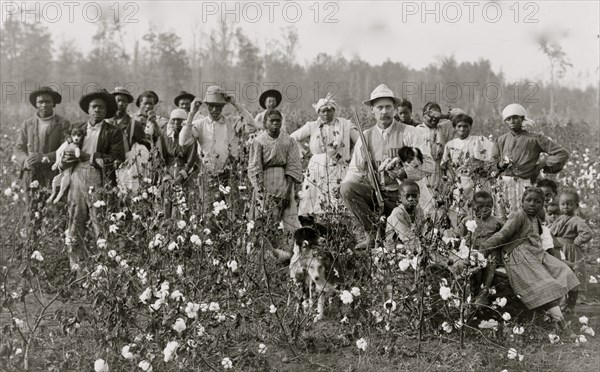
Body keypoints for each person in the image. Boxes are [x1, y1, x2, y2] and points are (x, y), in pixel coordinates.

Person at [340, 84, 435, 249]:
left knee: (415, 235)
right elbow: (355, 170)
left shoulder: (410, 132)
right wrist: (342, 187)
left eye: (388, 107)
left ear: (395, 109)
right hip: (377, 194)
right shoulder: (366, 137)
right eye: (380, 107)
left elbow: (429, 164)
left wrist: (405, 173)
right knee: (347, 189)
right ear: (372, 111)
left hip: (404, 197)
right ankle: (372, 233)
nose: (384, 111)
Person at [479, 188, 579, 335]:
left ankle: (565, 312)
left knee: (565, 271)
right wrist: (483, 249)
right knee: (544, 284)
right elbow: (502, 235)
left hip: (535, 254)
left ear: (542, 205)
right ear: (522, 202)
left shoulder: (536, 220)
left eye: (537, 202)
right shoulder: (518, 216)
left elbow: (539, 241)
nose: (533, 204)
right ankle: (563, 326)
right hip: (518, 256)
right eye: (529, 200)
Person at [61, 89, 125, 272]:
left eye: (101, 107)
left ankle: (104, 269)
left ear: (106, 111)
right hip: (76, 177)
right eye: (94, 107)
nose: (97, 110)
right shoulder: (77, 128)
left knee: (101, 222)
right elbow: (66, 150)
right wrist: (67, 159)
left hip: (99, 178)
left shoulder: (113, 132)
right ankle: (77, 268)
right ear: (88, 110)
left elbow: (117, 158)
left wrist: (90, 157)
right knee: (75, 220)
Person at [179, 86, 258, 210]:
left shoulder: (231, 123)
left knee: (232, 212)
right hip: (207, 174)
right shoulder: (200, 124)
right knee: (209, 212)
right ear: (207, 106)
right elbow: (182, 141)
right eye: (211, 106)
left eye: (219, 106)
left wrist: (236, 104)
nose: (215, 109)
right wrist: (192, 113)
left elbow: (253, 127)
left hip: (230, 174)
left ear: (223, 107)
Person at [492, 104, 569, 216]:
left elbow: (562, 153)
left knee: (524, 216)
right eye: (509, 119)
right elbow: (491, 163)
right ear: (506, 121)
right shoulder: (500, 140)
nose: (512, 121)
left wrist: (541, 165)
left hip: (525, 183)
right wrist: (500, 165)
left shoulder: (535, 138)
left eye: (515, 117)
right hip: (503, 183)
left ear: (522, 118)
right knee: (502, 216)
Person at [290, 93, 358, 218]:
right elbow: (292, 138)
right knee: (314, 198)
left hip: (339, 165)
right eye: (322, 111)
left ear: (334, 110)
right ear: (318, 113)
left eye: (329, 110)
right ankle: (314, 224)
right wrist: (301, 150)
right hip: (317, 166)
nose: (326, 114)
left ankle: (338, 225)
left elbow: (360, 142)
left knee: (337, 196)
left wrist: (352, 155)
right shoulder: (312, 126)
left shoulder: (345, 125)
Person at [15, 87, 71, 223]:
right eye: (40, 102)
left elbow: (66, 149)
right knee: (32, 211)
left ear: (54, 103)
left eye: (48, 101)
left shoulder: (63, 123)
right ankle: (32, 242)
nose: (44, 105)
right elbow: (19, 148)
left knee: (58, 208)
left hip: (53, 173)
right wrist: (24, 161)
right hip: (31, 174)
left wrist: (45, 157)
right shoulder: (27, 124)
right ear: (36, 104)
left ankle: (58, 241)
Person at [248, 109, 302, 232]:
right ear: (265, 123)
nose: (275, 123)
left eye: (278, 121)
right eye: (272, 121)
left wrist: (288, 192)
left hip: (284, 180)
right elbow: (254, 167)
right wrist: (261, 192)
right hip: (265, 180)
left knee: (289, 219)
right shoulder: (259, 141)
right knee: (264, 218)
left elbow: (293, 165)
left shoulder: (288, 140)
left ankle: (288, 247)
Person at [441, 114, 494, 218]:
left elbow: (491, 157)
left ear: (470, 127)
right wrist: (452, 182)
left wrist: (485, 171)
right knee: (460, 208)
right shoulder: (450, 144)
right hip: (460, 182)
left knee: (479, 207)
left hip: (477, 181)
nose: (462, 129)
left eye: (466, 126)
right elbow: (446, 165)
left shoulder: (479, 140)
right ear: (455, 127)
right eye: (459, 126)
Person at [549, 189, 593, 313]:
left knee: (573, 278)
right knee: (558, 276)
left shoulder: (576, 220)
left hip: (570, 250)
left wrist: (576, 242)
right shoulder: (559, 218)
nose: (566, 206)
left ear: (576, 206)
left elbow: (588, 233)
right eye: (563, 204)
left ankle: (570, 306)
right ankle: (560, 304)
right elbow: (551, 231)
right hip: (557, 250)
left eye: (569, 204)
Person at [455, 191, 503, 304]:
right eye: (480, 207)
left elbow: (504, 235)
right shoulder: (468, 220)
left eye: (489, 207)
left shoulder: (497, 221)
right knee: (473, 263)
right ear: (473, 206)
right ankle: (473, 290)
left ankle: (485, 290)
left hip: (490, 250)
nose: (485, 210)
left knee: (491, 263)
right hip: (473, 250)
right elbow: (459, 236)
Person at [160, 108, 199, 219]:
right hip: (169, 173)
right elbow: (162, 158)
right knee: (167, 203)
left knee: (182, 205)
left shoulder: (190, 139)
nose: (177, 123)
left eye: (180, 121)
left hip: (184, 176)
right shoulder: (165, 136)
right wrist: (167, 176)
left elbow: (191, 161)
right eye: (174, 120)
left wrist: (181, 176)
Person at [417, 102, 461, 189]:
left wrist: (445, 116)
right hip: (422, 176)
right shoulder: (416, 131)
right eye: (431, 115)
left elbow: (461, 116)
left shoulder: (443, 128)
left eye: (437, 116)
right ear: (424, 115)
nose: (434, 118)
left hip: (440, 174)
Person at [384, 181, 425, 252]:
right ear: (400, 198)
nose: (411, 199)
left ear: (419, 196)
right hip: (396, 244)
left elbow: (423, 229)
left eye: (414, 196)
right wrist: (421, 246)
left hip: (413, 241)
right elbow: (406, 235)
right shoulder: (397, 213)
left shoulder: (418, 210)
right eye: (407, 196)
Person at [107, 86, 150, 152]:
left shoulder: (134, 124)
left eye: (124, 101)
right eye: (118, 101)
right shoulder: (105, 122)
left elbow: (145, 147)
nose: (121, 104)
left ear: (127, 103)